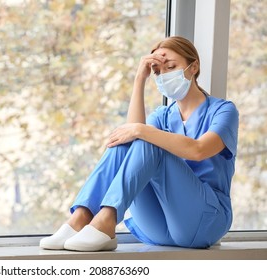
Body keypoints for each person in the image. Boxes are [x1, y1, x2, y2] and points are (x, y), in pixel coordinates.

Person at [40, 36, 239, 251]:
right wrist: (139, 78)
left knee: (147, 136)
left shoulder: (223, 110)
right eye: (158, 71)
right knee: (131, 138)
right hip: (161, 225)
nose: (164, 75)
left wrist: (141, 130)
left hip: (204, 220)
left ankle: (106, 219)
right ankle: (82, 217)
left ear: (193, 67)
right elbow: (131, 136)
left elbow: (199, 150)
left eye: (171, 67)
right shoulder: (163, 115)